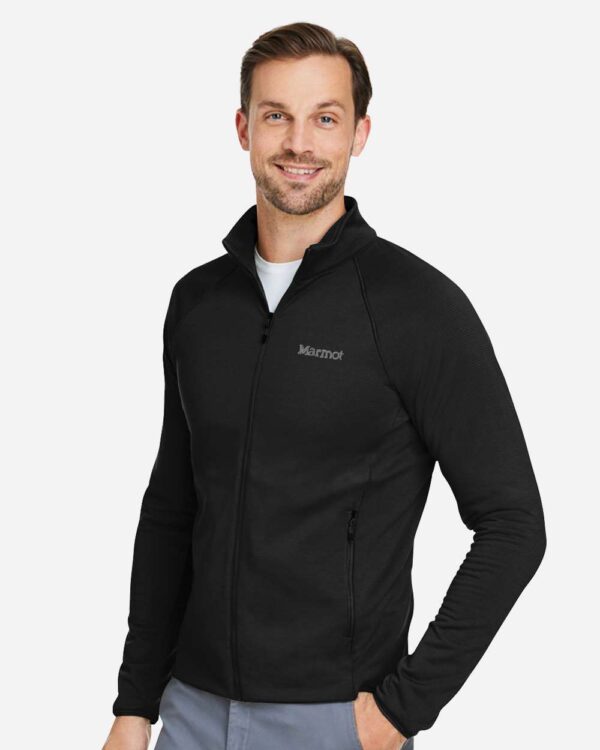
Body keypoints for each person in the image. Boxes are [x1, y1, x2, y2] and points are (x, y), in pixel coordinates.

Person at [103, 21, 546, 750]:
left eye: (326, 119)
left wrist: (399, 712)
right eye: (277, 115)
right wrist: (134, 702)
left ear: (360, 133)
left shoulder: (415, 308)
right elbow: (173, 508)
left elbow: (514, 523)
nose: (299, 143)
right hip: (188, 712)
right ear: (244, 128)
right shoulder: (199, 303)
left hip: (334, 720)